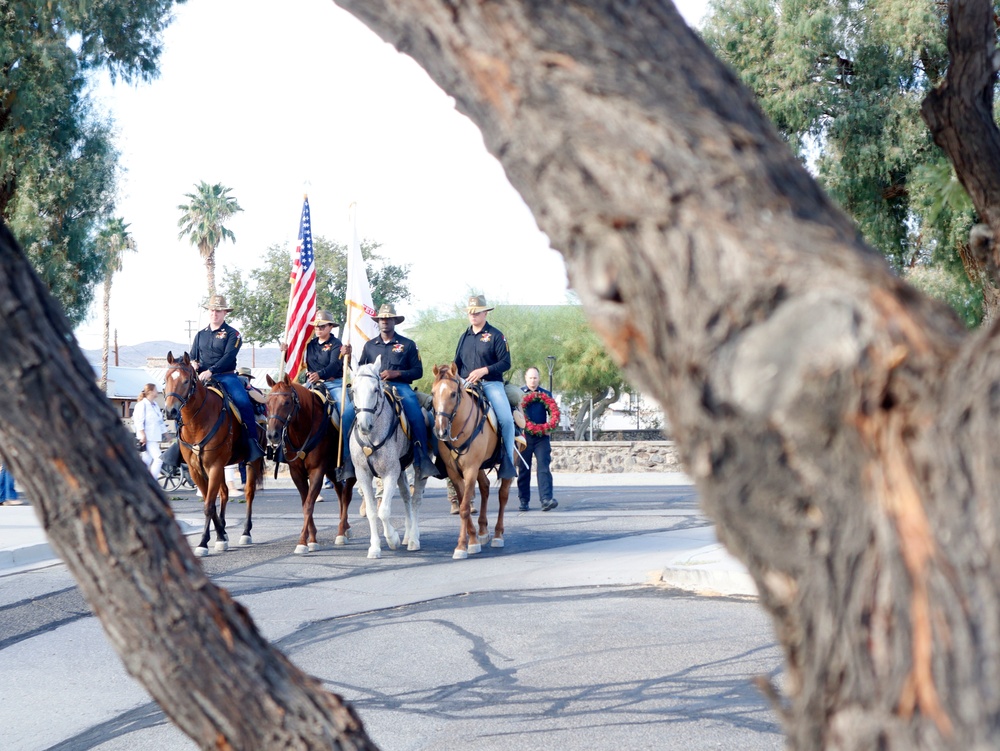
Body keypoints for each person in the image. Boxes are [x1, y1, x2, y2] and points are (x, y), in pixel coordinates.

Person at [344, 303, 437, 477]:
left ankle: (422, 460)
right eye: (382, 319)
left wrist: (396, 373)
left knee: (417, 416)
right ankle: (348, 462)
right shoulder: (370, 345)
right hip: (373, 389)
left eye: (388, 319)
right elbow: (361, 371)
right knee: (347, 415)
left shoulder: (407, 344)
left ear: (394, 321)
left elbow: (418, 371)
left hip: (400, 387)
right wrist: (348, 358)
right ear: (378, 322)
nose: (385, 322)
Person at [189, 295, 264, 462]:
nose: (214, 313)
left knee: (243, 402)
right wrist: (194, 363)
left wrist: (211, 370)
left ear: (225, 313)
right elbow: (193, 355)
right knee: (184, 400)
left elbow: (229, 356)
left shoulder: (233, 334)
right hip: (202, 377)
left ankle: (252, 443)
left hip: (226, 376)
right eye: (212, 310)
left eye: (218, 311)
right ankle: (180, 445)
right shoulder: (200, 335)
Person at [454, 294, 516, 479]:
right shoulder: (464, 337)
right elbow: (456, 362)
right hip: (466, 384)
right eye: (470, 312)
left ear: (485, 313)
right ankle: (444, 459)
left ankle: (507, 460)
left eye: (477, 312)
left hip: (491, 384)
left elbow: (506, 363)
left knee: (506, 419)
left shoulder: (496, 335)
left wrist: (484, 371)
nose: (473, 315)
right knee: (444, 412)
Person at [303, 311, 355, 468]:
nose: (318, 328)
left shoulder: (337, 345)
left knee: (346, 414)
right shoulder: (310, 345)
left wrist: (320, 374)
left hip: (335, 384)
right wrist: (285, 353)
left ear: (330, 327)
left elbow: (335, 365)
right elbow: (302, 361)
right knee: (291, 405)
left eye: (322, 326)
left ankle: (347, 458)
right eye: (316, 326)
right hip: (313, 385)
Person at [517, 367, 557, 511]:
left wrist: (549, 428)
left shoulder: (545, 394)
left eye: (535, 378)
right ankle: (523, 501)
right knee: (523, 469)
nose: (533, 381)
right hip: (525, 437)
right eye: (530, 378)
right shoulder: (519, 394)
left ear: (539, 378)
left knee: (543, 468)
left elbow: (553, 413)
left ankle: (546, 499)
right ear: (526, 378)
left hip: (542, 437)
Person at [133, 383, 167, 479]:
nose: (157, 392)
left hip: (153, 436)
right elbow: (138, 421)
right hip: (147, 437)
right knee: (158, 459)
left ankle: (138, 479)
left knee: (146, 460)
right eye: (156, 390)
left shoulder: (155, 405)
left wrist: (166, 433)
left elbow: (160, 421)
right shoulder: (142, 405)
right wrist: (142, 435)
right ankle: (152, 481)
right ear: (151, 392)